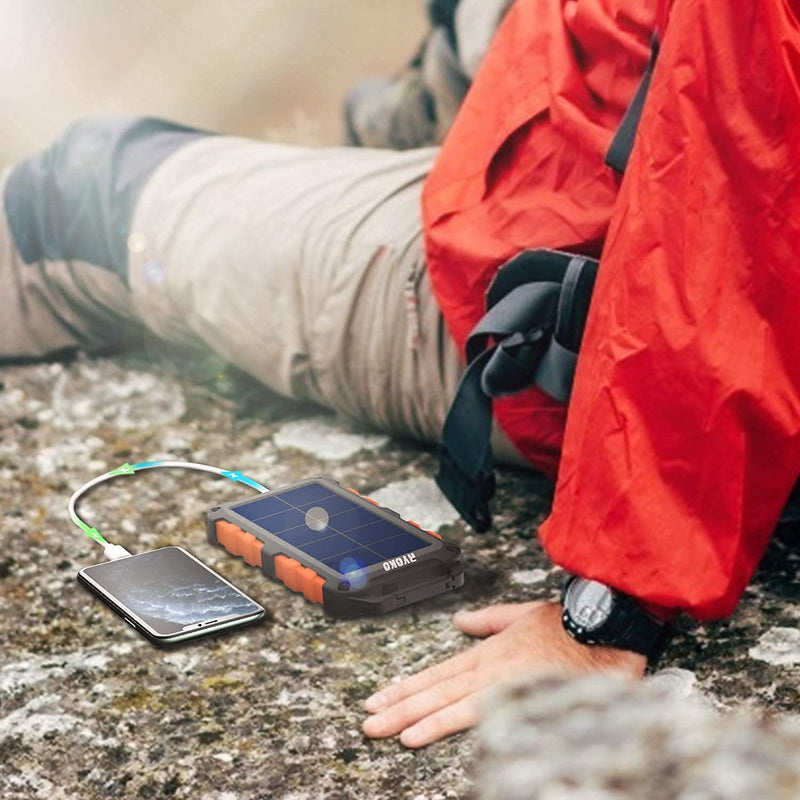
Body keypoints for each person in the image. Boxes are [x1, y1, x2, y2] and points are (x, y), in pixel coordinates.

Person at [3, 0, 799, 750]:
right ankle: (436, 95)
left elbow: (721, 235)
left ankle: (412, 137)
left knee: (75, 192)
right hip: (642, 97)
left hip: (592, 300)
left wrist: (607, 616)